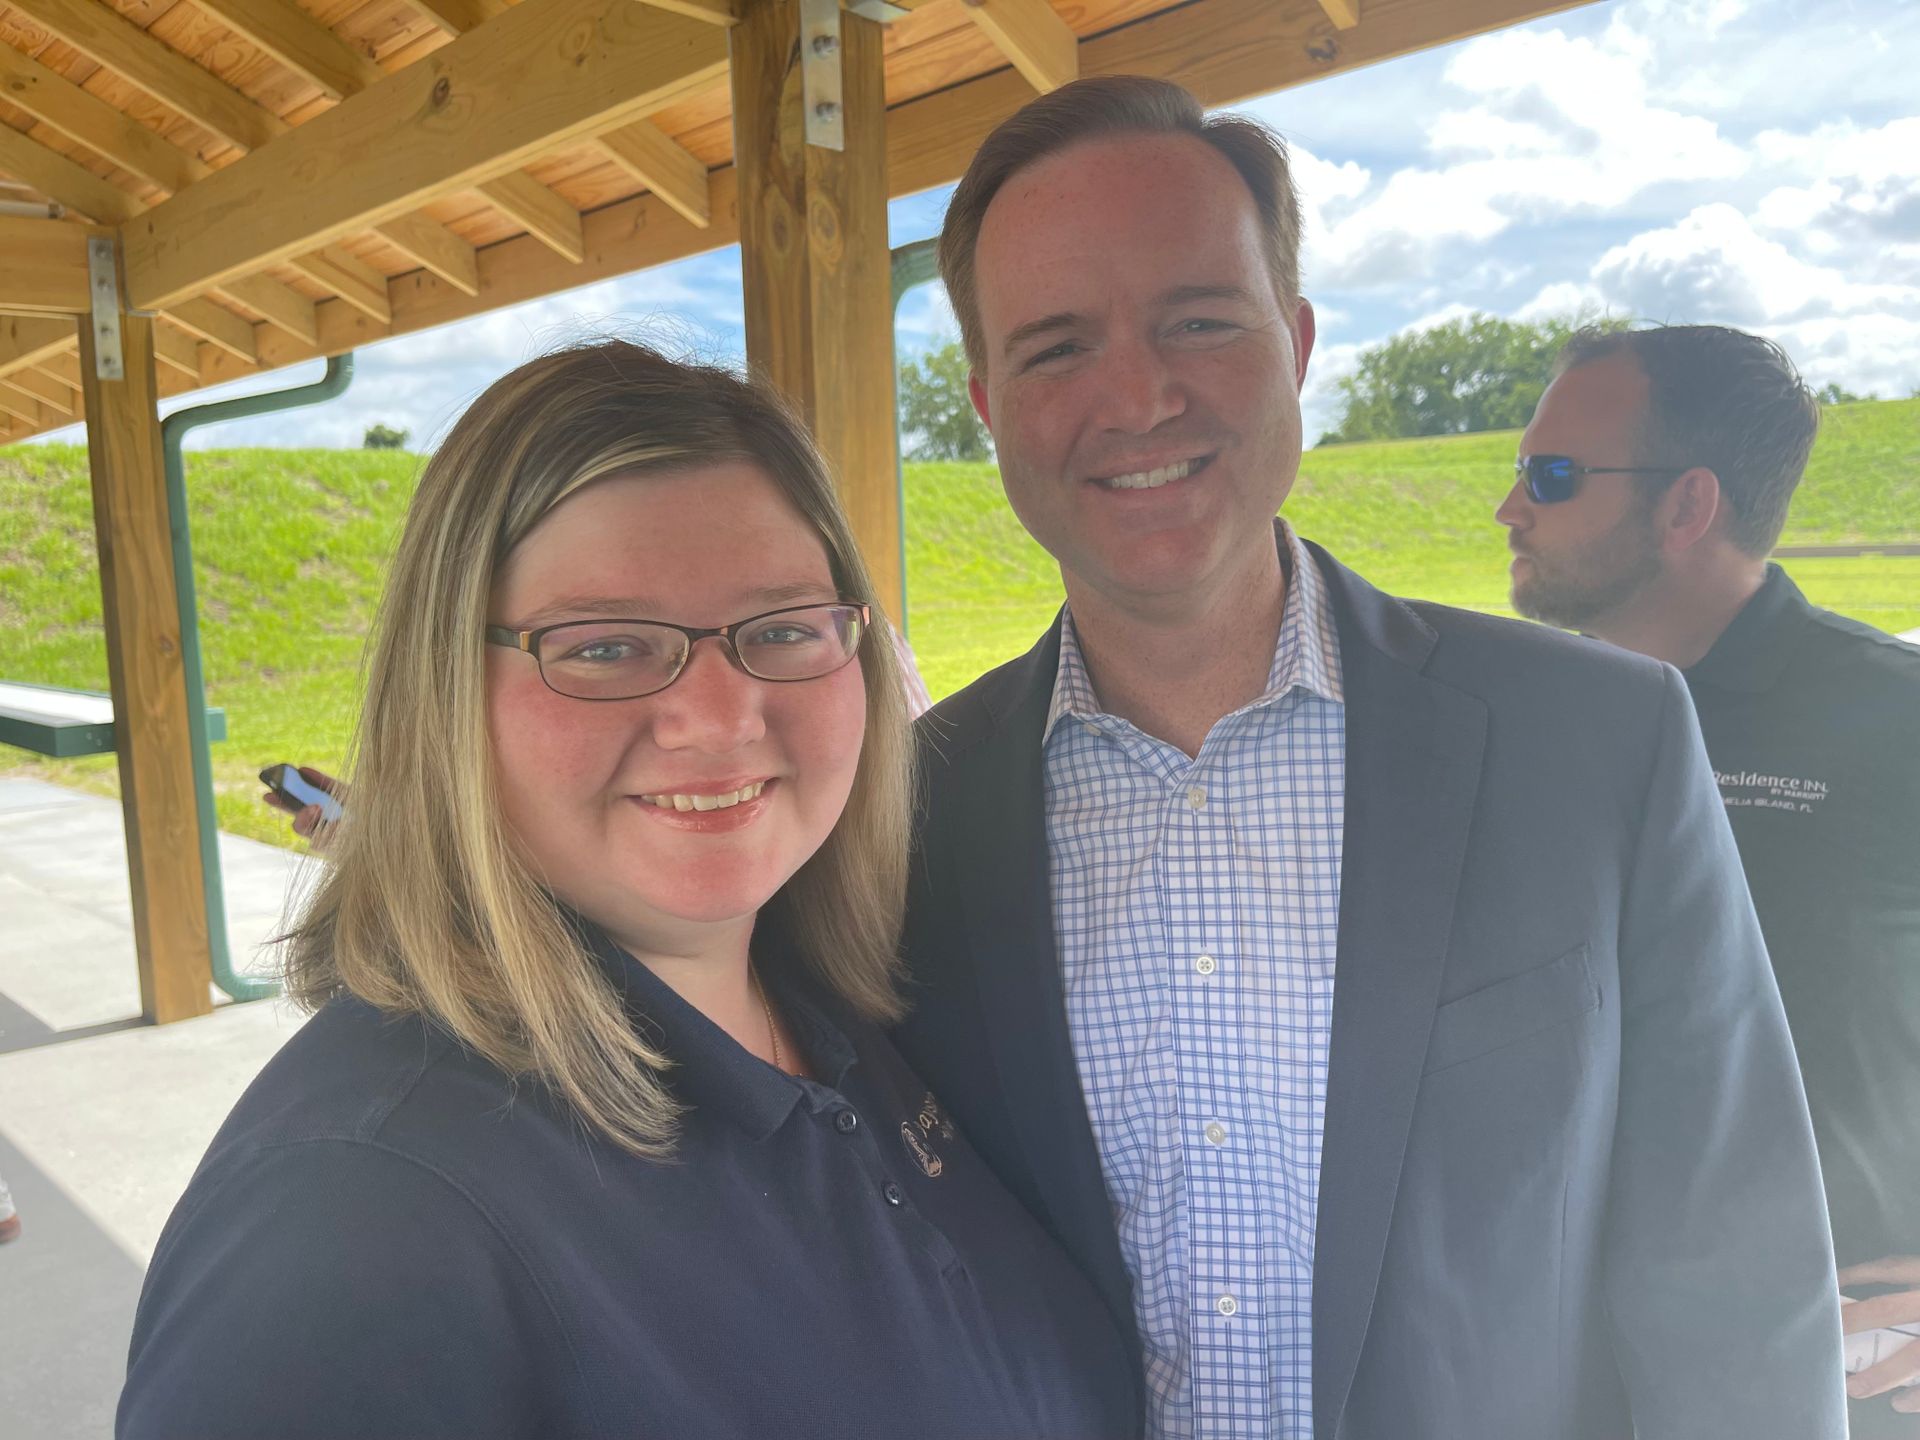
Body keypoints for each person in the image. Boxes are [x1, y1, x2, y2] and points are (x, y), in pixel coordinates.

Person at [890, 76, 1845, 1438]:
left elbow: (1732, 1279)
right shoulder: (910, 815)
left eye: (1199, 322)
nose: (1138, 396)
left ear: (1297, 342)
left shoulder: (1599, 742)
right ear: (986, 403)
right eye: (1055, 350)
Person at [119, 341, 1137, 1439]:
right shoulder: (353, 1221)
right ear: (446, 694)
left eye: (785, 627)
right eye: (603, 646)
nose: (720, 716)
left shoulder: (832, 1003)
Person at [1498, 322, 1920, 1435]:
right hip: (1566, 1385)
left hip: (1833, 1392)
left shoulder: (1897, 719)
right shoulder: (1510, 731)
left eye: (1551, 476)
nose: (1509, 508)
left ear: (1688, 507)